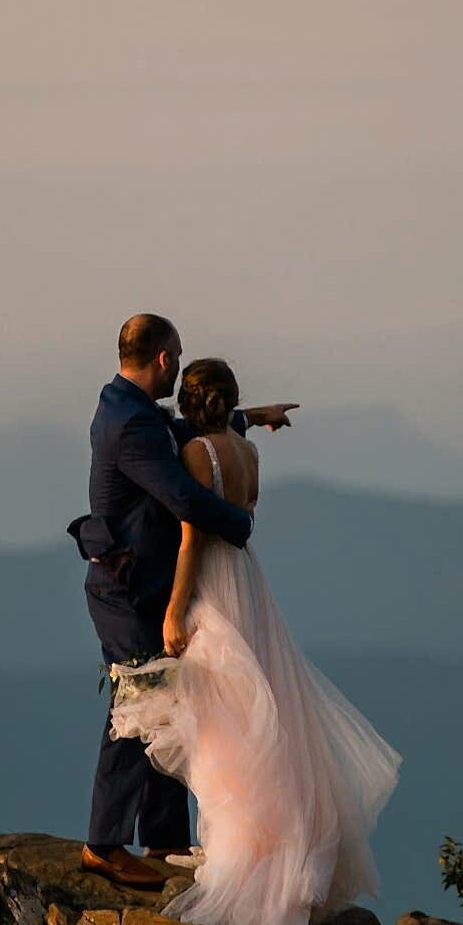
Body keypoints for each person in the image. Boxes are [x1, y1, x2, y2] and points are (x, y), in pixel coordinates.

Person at [106, 356, 403, 925]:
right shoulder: (248, 453)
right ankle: (267, 846)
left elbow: (193, 536)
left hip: (213, 585)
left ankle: (241, 859)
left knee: (223, 726)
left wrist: (175, 610)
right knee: (262, 706)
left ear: (187, 404)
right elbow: (245, 514)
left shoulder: (195, 455)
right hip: (251, 584)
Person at [68, 314, 300, 891]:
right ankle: (104, 844)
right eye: (179, 353)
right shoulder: (134, 424)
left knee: (169, 699)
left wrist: (250, 416)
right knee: (138, 702)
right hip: (128, 588)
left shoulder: (126, 406)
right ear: (165, 359)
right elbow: (182, 494)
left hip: (142, 581)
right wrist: (239, 526)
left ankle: (165, 837)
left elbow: (182, 432)